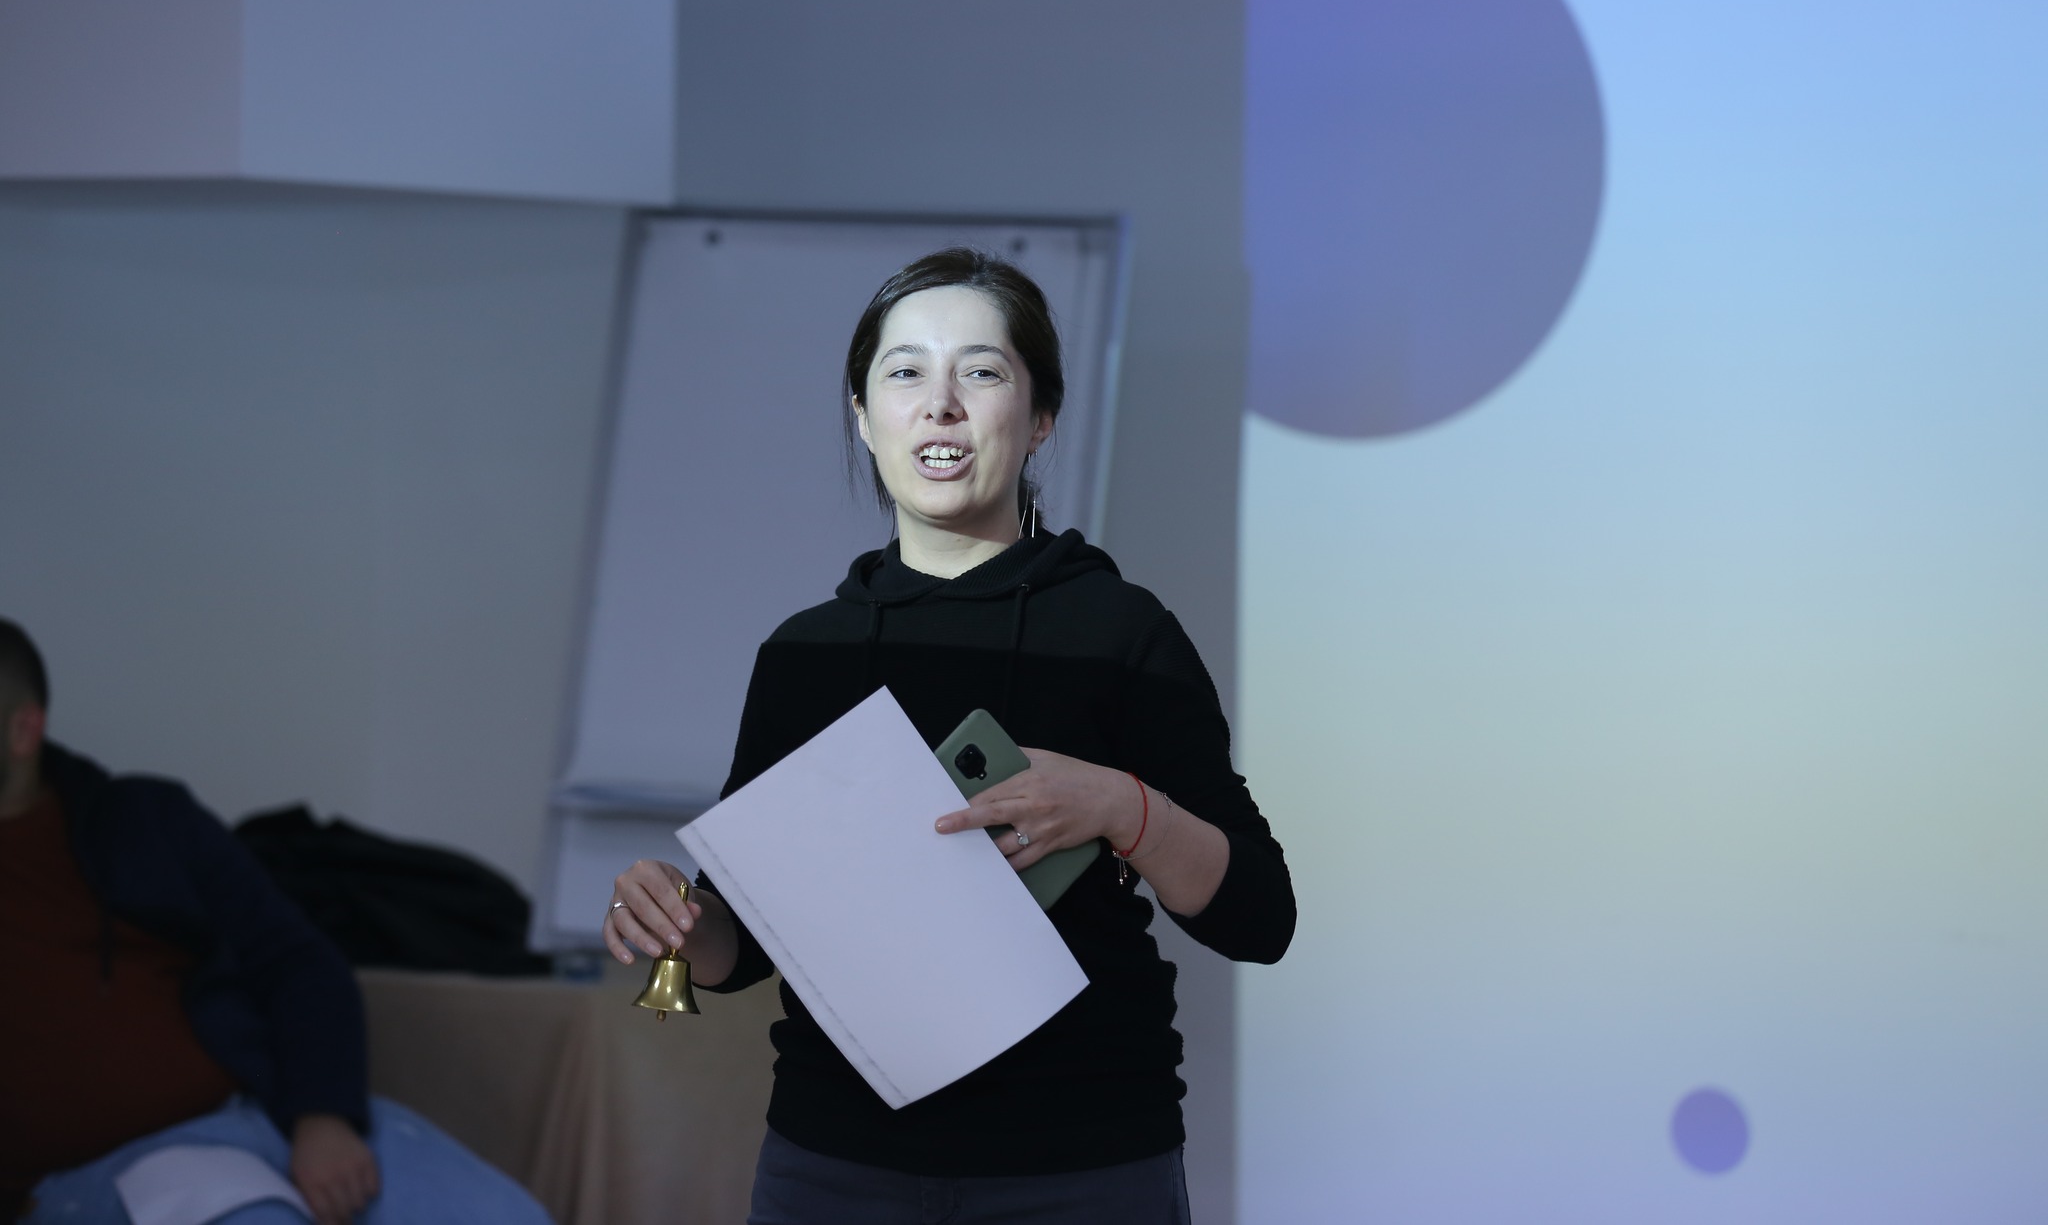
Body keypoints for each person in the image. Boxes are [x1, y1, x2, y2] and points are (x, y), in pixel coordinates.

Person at [606, 248, 1296, 1223]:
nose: (939, 404)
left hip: (1080, 1164)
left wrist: (1124, 808)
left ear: (1040, 417)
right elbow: (744, 947)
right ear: (862, 415)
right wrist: (676, 921)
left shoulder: (1120, 633)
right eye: (904, 373)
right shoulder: (804, 652)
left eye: (980, 371)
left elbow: (1259, 917)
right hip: (834, 1165)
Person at [0, 618, 550, 1225]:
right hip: (117, 1164)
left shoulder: (143, 819)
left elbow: (297, 961)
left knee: (507, 1216)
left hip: (267, 1113)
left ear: (24, 730)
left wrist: (322, 1115)